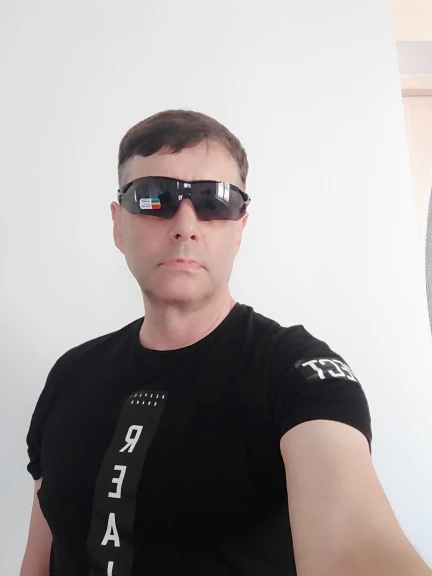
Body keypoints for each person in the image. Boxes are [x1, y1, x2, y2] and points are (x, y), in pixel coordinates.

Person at [21, 109, 431, 576]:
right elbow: (40, 559)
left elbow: (355, 543)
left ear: (240, 229)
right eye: (154, 197)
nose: (186, 224)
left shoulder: (296, 372)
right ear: (118, 225)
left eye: (215, 201)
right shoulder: (70, 375)